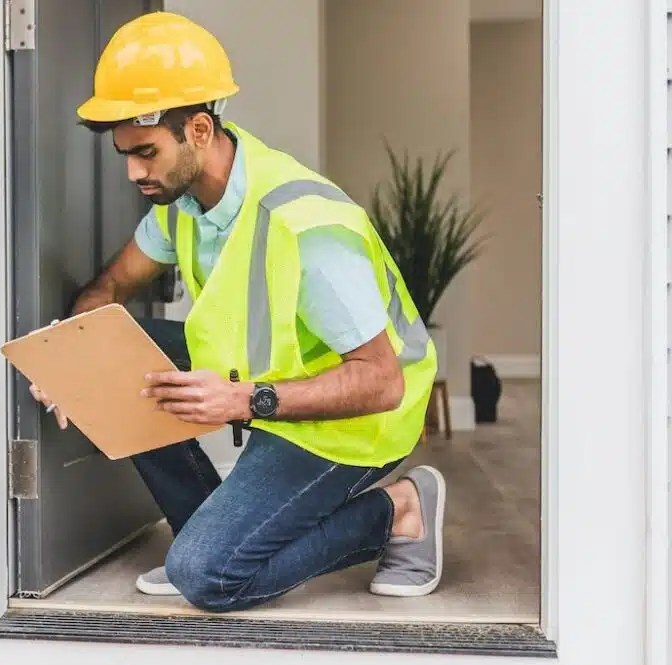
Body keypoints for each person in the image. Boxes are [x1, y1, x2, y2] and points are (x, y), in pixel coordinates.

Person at [29, 11, 445, 614]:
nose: (132, 172)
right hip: (269, 388)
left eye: (145, 152)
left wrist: (248, 400)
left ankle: (401, 509)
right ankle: (212, 530)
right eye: (125, 154)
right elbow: (111, 285)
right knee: (120, 350)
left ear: (198, 130)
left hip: (354, 424)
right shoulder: (182, 203)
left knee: (207, 577)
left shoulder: (306, 227)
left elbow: (381, 381)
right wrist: (77, 361)